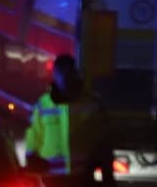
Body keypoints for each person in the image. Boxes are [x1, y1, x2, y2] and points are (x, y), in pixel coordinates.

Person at [24, 54, 111, 187]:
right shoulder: (43, 104)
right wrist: (31, 158)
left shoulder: (90, 104)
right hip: (52, 176)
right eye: (60, 72)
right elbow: (34, 133)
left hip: (82, 176)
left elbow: (102, 140)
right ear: (54, 75)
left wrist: (106, 172)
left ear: (74, 74)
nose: (64, 77)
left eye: (67, 72)